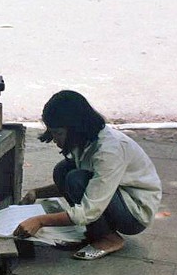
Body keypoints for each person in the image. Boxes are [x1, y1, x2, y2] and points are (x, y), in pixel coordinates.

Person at [13, 90, 162, 260]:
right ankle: (95, 232)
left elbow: (89, 209)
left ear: (76, 128)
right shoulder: (84, 141)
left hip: (135, 213)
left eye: (58, 133)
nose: (54, 139)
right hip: (115, 196)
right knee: (63, 170)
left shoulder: (109, 151)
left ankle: (108, 238)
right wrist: (37, 193)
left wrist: (40, 221)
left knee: (75, 178)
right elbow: (89, 187)